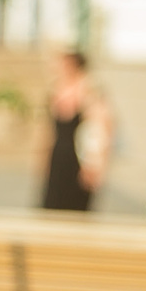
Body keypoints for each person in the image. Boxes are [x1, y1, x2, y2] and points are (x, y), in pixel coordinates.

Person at [39, 49, 112, 211]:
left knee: (75, 207)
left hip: (80, 158)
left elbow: (100, 130)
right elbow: (49, 132)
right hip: (59, 156)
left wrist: (95, 164)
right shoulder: (55, 90)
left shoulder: (90, 90)